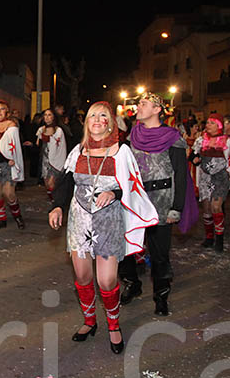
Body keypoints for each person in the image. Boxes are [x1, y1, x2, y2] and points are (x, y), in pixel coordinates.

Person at [49, 101, 158, 351]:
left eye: (103, 116)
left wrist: (115, 193)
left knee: (107, 280)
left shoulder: (121, 151)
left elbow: (132, 186)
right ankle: (89, 321)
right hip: (79, 220)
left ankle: (113, 324)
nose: (97, 120)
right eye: (92, 116)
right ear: (87, 122)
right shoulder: (78, 150)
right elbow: (66, 182)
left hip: (108, 220)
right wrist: (56, 206)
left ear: (110, 122)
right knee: (83, 276)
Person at [117, 93, 196, 315]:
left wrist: (177, 208)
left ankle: (161, 296)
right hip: (135, 200)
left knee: (160, 254)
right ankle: (132, 284)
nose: (138, 107)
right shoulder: (134, 135)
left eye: (143, 104)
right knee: (126, 248)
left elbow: (181, 174)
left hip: (162, 202)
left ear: (157, 109)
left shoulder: (173, 137)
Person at [191, 113, 230, 252]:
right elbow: (193, 154)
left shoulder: (227, 141)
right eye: (208, 122)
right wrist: (194, 159)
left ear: (219, 125)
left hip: (220, 177)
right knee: (206, 209)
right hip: (205, 177)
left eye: (212, 122)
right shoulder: (200, 140)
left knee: (216, 207)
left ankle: (219, 239)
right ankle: (209, 237)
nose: (208, 125)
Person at [0, 100, 25, 229]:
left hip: (8, 164)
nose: (0, 112)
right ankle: (2, 219)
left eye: (2, 109)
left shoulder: (12, 126)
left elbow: (15, 147)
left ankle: (18, 216)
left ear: (7, 111)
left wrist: (13, 158)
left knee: (9, 194)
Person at [35, 108, 68, 202]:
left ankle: (56, 201)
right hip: (45, 159)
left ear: (53, 117)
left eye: (49, 115)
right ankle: (53, 199)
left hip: (55, 159)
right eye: (45, 115)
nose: (47, 117)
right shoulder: (41, 130)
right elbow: (38, 145)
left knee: (51, 183)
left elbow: (61, 147)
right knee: (47, 184)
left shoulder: (58, 130)